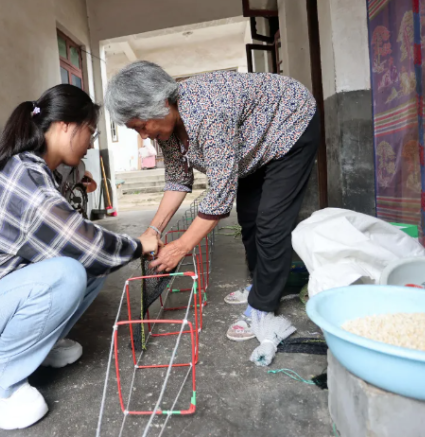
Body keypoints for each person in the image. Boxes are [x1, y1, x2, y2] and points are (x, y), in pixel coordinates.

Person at [0, 85, 159, 430]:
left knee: (90, 268)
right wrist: (139, 245)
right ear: (66, 126)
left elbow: (82, 242)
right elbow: (84, 243)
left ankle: (39, 347)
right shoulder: (25, 179)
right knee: (70, 271)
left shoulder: (36, 170)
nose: (90, 142)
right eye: (90, 132)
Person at [105, 61, 319, 343]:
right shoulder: (167, 125)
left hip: (289, 125)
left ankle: (263, 308)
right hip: (253, 144)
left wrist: (180, 247)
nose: (144, 136)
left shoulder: (208, 112)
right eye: (136, 130)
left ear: (163, 103)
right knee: (250, 218)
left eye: (143, 126)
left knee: (270, 222)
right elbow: (178, 180)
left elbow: (220, 196)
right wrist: (153, 230)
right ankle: (261, 285)